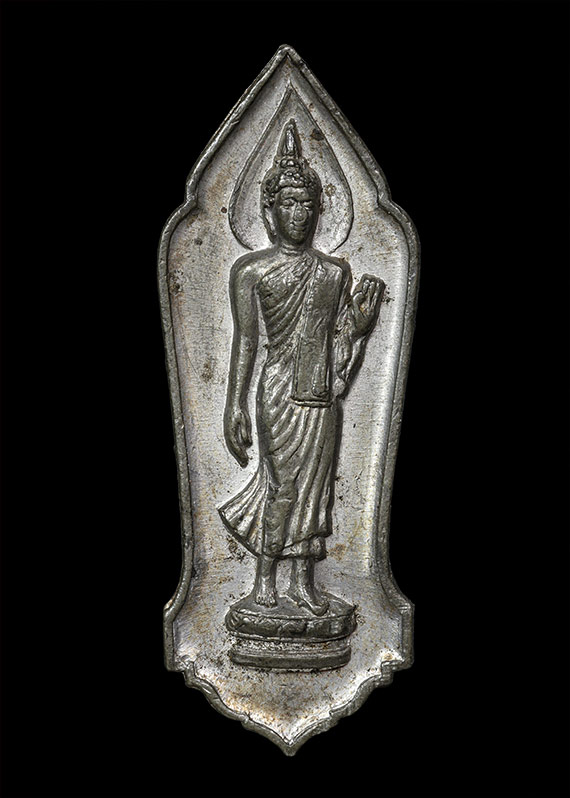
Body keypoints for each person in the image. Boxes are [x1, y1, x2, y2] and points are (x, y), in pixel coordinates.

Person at [219, 119, 384, 616]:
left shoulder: (334, 272)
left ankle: (304, 583)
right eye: (289, 203)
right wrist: (233, 405)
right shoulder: (251, 271)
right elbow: (247, 342)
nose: (300, 213)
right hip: (277, 391)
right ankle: (264, 580)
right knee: (283, 487)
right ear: (269, 211)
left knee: (317, 490)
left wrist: (357, 328)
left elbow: (337, 346)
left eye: (308, 204)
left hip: (319, 393)